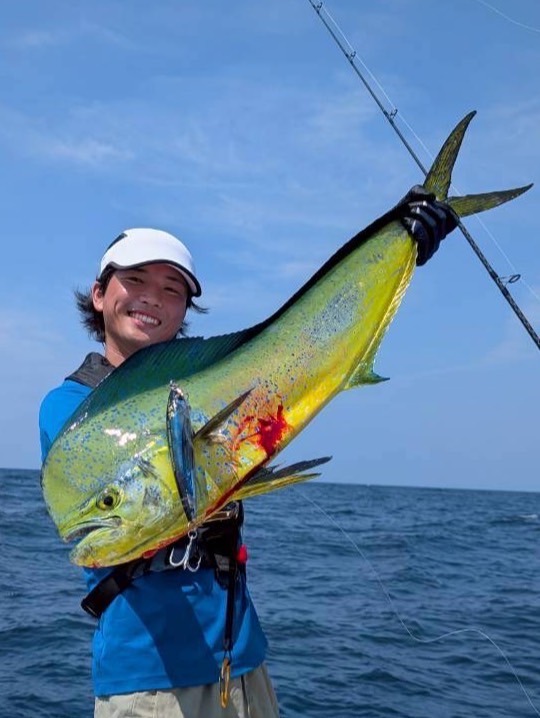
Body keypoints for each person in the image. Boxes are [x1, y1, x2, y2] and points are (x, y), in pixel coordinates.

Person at [39, 193, 457, 718]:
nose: (152, 299)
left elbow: (307, 350)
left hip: (242, 660)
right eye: (136, 280)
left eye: (172, 290)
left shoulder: (202, 386)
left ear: (184, 311)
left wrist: (395, 242)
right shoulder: (72, 410)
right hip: (148, 678)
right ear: (100, 295)